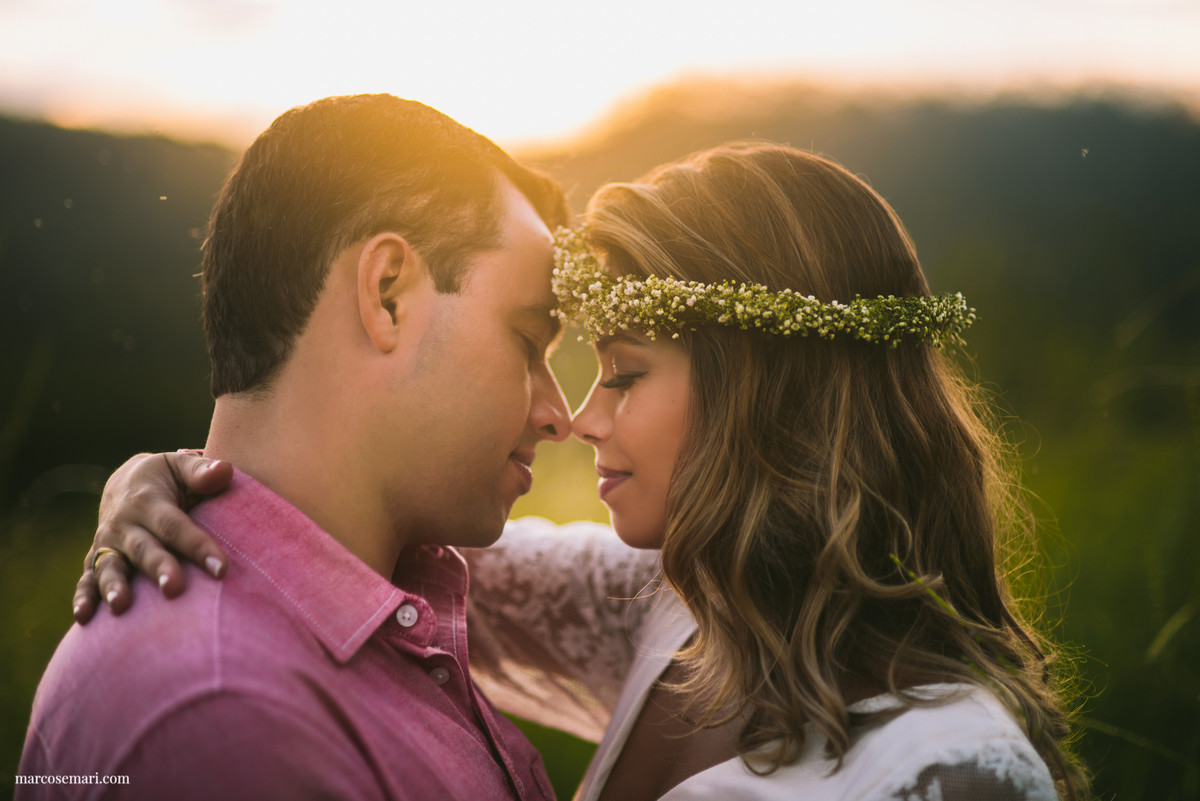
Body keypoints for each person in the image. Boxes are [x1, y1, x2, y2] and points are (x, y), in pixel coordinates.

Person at [73, 144, 1089, 800]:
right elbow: (340, 546)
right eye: (558, 357)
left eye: (626, 374)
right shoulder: (677, 605)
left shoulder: (951, 771)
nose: (580, 417)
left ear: (769, 395)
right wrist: (171, 477)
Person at [19, 94, 573, 800]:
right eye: (527, 340)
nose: (559, 415)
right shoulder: (222, 720)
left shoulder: (370, 615)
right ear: (388, 294)